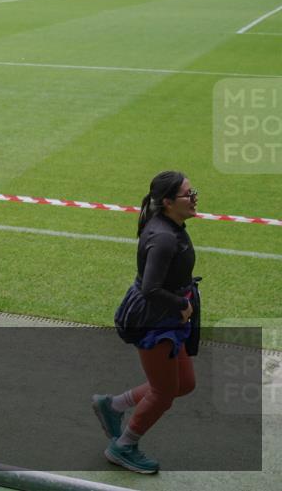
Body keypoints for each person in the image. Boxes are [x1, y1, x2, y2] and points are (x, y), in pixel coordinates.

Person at [93, 170, 201, 474]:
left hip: (167, 315)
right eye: (188, 194)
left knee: (184, 384)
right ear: (167, 202)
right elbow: (150, 288)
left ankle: (112, 405)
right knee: (164, 392)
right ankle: (123, 446)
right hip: (155, 321)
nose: (194, 199)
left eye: (194, 193)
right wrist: (181, 304)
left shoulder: (172, 224)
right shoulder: (164, 238)